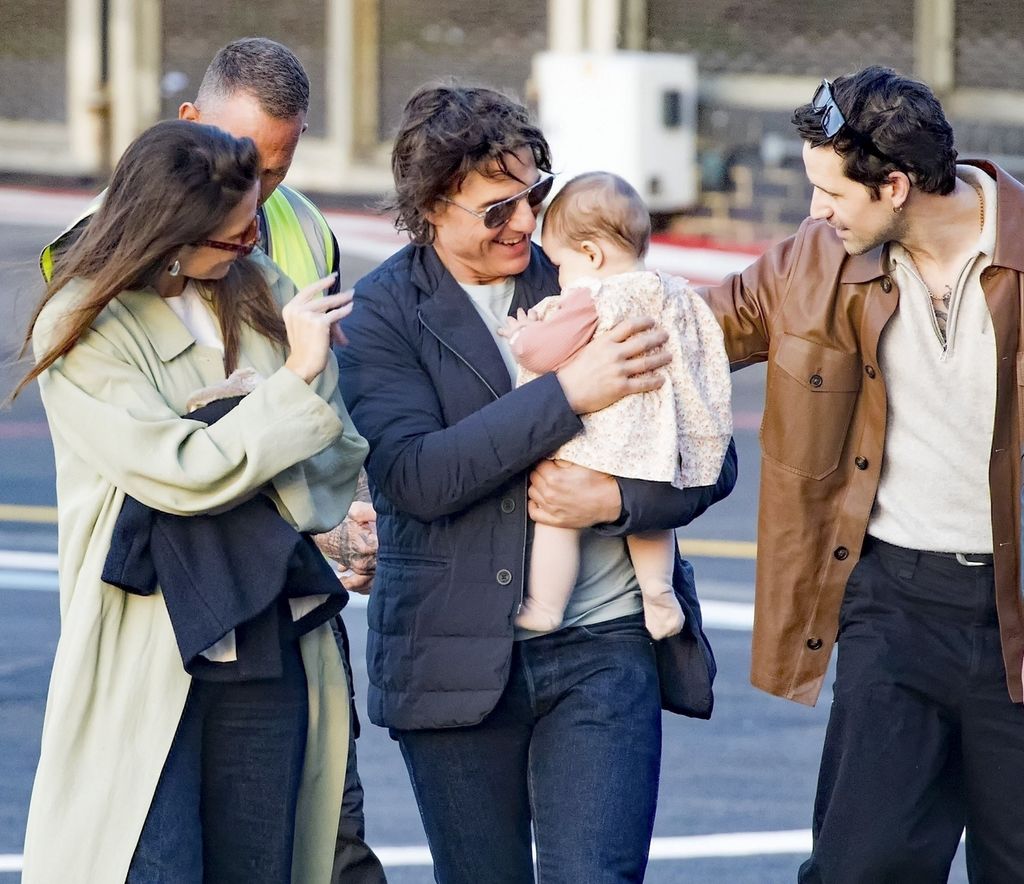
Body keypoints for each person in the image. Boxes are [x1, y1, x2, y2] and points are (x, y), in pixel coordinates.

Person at [336, 84, 737, 883]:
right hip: (452, 654)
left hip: (604, 644)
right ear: (433, 208)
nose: (526, 224)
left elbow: (708, 450)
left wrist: (621, 502)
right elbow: (418, 476)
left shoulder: (597, 274)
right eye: (496, 211)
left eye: (534, 197)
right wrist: (568, 395)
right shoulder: (382, 312)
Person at [39, 37, 387, 883]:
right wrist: (286, 390)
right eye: (232, 235)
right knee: (152, 861)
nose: (257, 233)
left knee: (269, 861)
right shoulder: (83, 321)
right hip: (150, 646)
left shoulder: (262, 281)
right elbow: (180, 473)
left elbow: (331, 468)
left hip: (271, 630)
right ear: (171, 231)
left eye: (269, 190)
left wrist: (239, 424)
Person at [701, 65, 1024, 882]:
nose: (816, 211)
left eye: (832, 193)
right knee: (859, 866)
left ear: (897, 187)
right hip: (894, 605)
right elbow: (696, 329)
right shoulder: (815, 259)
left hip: (1016, 614)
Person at [502, 172, 732, 639]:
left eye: (561, 264)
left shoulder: (592, 297)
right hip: (653, 437)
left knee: (556, 518)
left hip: (601, 434)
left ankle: (546, 606)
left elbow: (542, 352)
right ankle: (659, 597)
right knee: (649, 520)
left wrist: (521, 337)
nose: (559, 276)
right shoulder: (671, 291)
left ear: (591, 254)